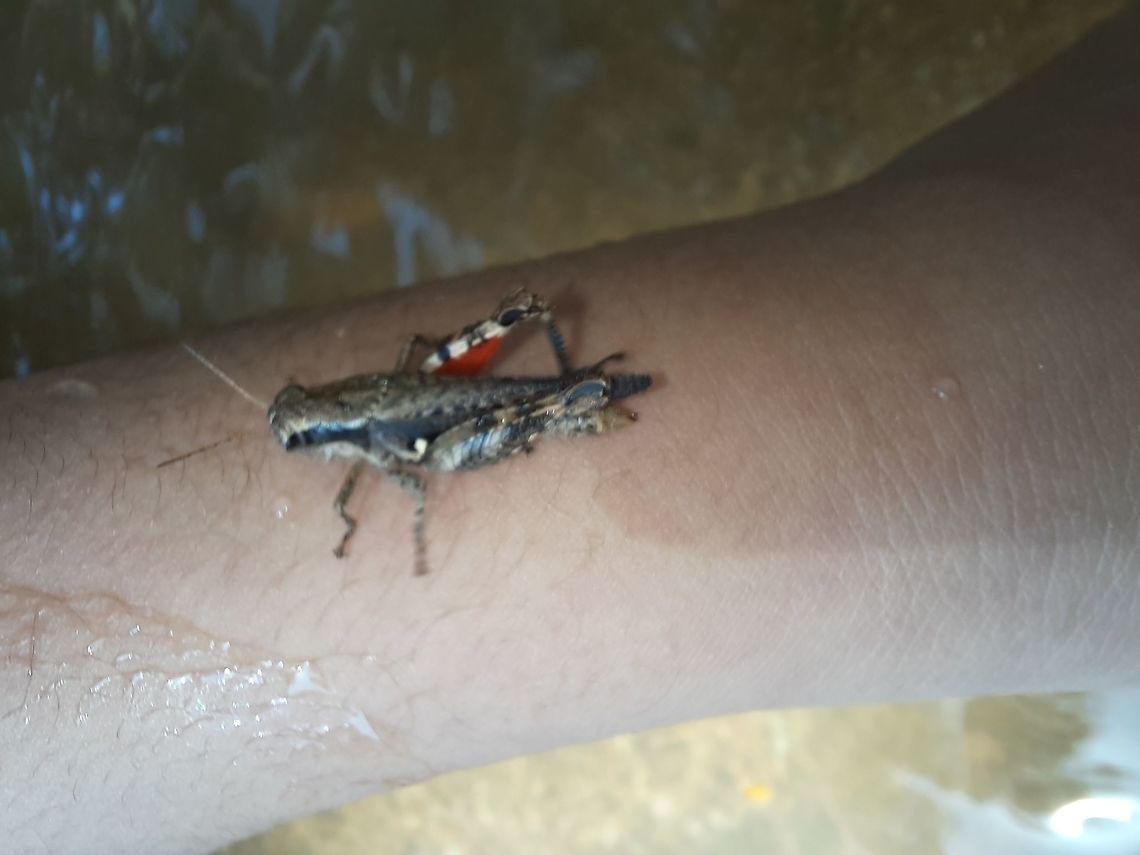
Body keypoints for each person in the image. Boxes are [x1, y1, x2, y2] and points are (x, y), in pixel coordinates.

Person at [3, 7, 1139, 853]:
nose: (298, 436)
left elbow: (397, 469)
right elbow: (385, 412)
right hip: (416, 407)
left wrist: (399, 517)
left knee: (437, 450)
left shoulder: (357, 461)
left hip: (450, 421)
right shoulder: (338, 423)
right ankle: (565, 389)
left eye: (299, 427)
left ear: (318, 425)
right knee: (438, 406)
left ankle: (567, 394)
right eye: (300, 427)